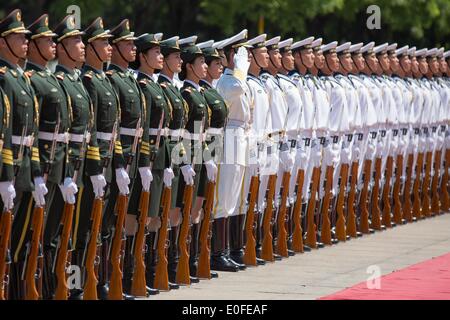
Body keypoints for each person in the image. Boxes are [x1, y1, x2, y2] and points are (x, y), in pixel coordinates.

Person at [52, 14, 107, 300]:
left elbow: (92, 128)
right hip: (68, 167)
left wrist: (96, 166)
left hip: (84, 165)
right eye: (75, 40)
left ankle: (75, 285)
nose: (82, 45)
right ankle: (64, 287)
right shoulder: (64, 81)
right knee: (65, 232)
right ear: (61, 48)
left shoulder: (76, 81)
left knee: (83, 229)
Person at [81, 17, 131, 299]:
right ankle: (82, 283)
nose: (109, 48)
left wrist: (120, 163)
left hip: (112, 161)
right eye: (103, 43)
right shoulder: (90, 81)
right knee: (89, 226)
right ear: (90, 48)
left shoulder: (105, 80)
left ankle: (100, 281)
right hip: (94, 164)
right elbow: (91, 131)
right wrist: (97, 167)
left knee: (107, 224)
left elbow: (114, 130)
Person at [0, 9, 46, 300]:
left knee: (21, 236)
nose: (26, 42)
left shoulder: (22, 77)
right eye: (20, 37)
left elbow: (34, 132)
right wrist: (6, 176)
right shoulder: (4, 78)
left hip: (27, 166)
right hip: (12, 166)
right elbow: (4, 131)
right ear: (3, 42)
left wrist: (38, 172)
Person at [133, 32, 179, 291]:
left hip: (162, 156)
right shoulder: (142, 84)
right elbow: (147, 128)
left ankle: (150, 270)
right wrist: (145, 162)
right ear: (143, 57)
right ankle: (135, 273)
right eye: (156, 52)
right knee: (142, 216)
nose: (160, 56)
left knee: (156, 216)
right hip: (148, 157)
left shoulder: (154, 85)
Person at [213, 29, 251, 270]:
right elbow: (236, 89)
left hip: (240, 138)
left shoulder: (237, 79)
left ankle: (227, 250)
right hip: (228, 138)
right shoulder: (228, 80)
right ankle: (217, 253)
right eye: (237, 53)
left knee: (235, 197)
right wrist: (239, 68)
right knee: (223, 197)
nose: (242, 58)